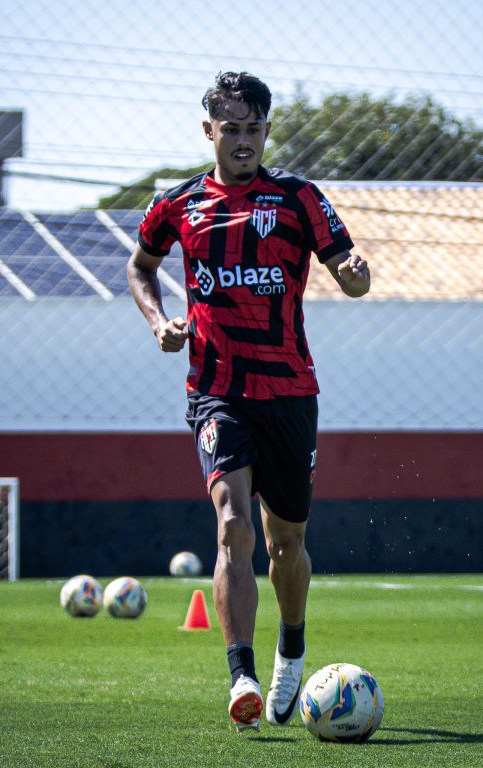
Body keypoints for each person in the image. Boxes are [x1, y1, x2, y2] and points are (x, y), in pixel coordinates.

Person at [126, 71, 370, 733]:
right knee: (232, 523)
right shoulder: (177, 203)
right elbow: (141, 265)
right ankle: (241, 674)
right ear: (208, 131)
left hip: (290, 392)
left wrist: (354, 275)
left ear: (267, 130)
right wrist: (158, 323)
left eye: (253, 128)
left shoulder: (297, 198)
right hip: (217, 392)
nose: (242, 140)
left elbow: (349, 269)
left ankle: (291, 645)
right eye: (230, 128)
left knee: (286, 542)